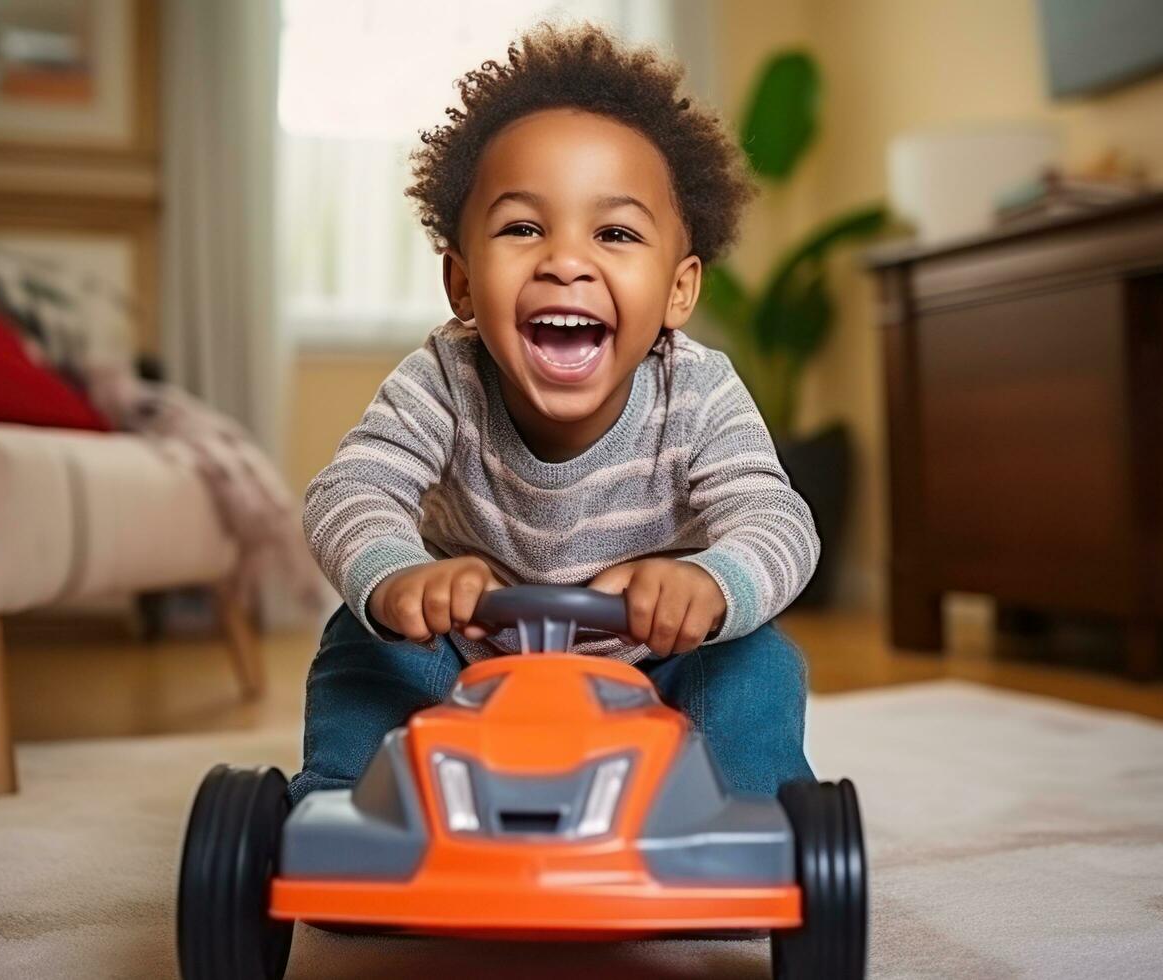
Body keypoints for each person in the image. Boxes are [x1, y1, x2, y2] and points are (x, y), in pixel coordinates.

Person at [292, 22, 819, 805]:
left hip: (653, 662)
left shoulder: (699, 392)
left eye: (613, 233)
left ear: (678, 290)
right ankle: (343, 805)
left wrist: (709, 584)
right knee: (362, 642)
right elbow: (348, 491)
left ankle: (747, 811)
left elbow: (777, 521)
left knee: (757, 662)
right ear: (463, 285)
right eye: (522, 228)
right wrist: (399, 577)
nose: (566, 261)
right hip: (470, 659)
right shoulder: (442, 379)